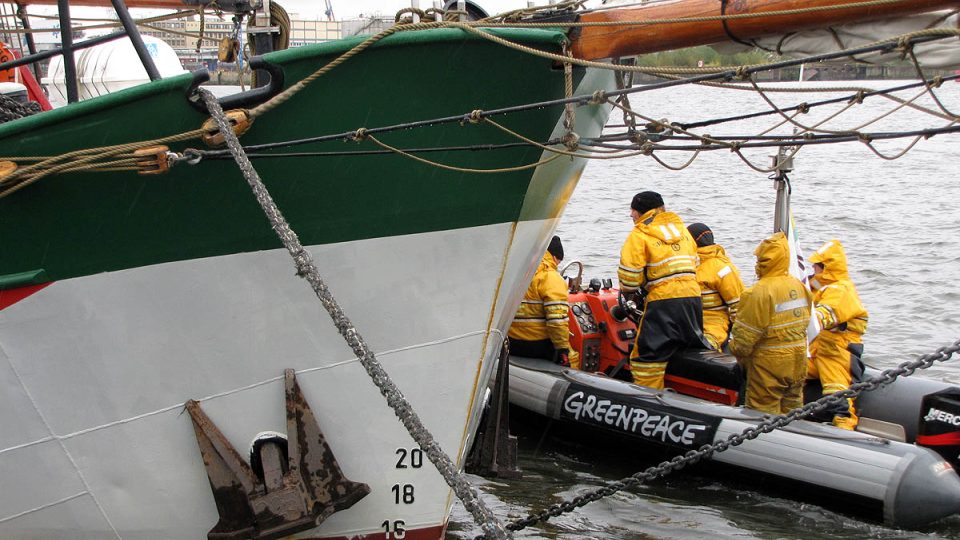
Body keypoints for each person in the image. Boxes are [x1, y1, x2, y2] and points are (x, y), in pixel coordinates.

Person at [618, 191, 707, 389]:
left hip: (663, 301)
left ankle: (647, 403)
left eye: (632, 212)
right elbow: (696, 264)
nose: (631, 217)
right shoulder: (683, 231)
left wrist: (635, 289)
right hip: (693, 298)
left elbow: (629, 280)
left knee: (647, 360)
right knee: (686, 350)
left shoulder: (640, 234)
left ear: (638, 212)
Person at [729, 232, 812, 414]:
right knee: (793, 410)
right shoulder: (799, 286)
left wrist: (735, 352)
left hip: (769, 364)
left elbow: (743, 343)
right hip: (798, 359)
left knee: (762, 413)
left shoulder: (757, 293)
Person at [806, 239, 869, 430]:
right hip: (818, 348)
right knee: (787, 370)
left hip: (838, 350)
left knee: (837, 391)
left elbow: (823, 316)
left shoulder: (840, 291)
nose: (813, 270)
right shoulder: (818, 287)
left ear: (825, 267)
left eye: (816, 266)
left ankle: (844, 426)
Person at [508, 236, 580, 369]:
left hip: (513, 343)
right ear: (554, 257)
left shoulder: (518, 273)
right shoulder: (550, 277)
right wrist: (562, 349)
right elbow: (557, 321)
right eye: (558, 262)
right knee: (573, 356)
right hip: (537, 344)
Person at [687, 223, 745, 351]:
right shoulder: (687, 263)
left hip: (713, 325)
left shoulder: (721, 268)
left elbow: (738, 306)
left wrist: (741, 340)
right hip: (688, 323)